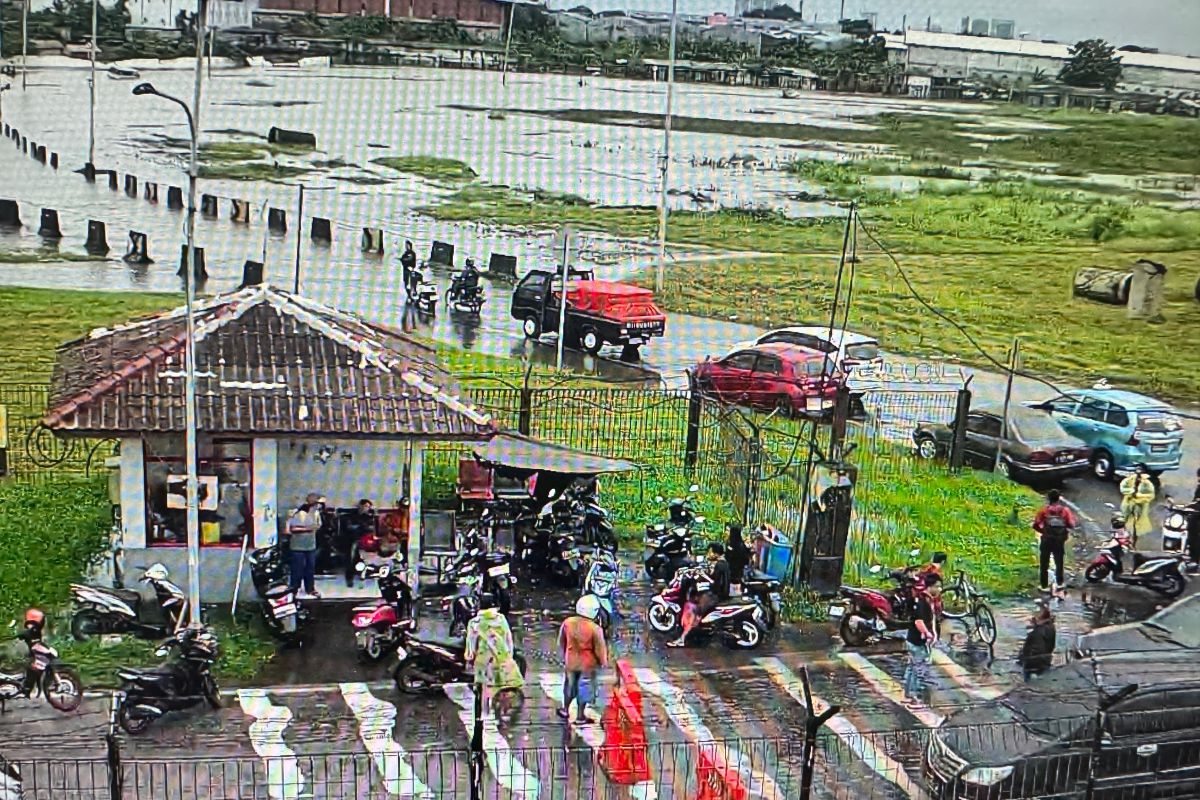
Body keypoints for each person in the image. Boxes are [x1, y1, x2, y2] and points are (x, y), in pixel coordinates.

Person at [464, 593, 524, 720]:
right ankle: (503, 710)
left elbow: (471, 643)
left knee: (484, 688)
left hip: (483, 661)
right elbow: (508, 639)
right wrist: (509, 656)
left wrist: (469, 659)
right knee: (502, 685)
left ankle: (485, 714)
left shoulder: (474, 623)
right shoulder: (501, 619)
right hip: (501, 657)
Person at [557, 595, 609, 723]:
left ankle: (565, 709)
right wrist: (603, 662)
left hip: (571, 661)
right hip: (587, 664)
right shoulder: (595, 628)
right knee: (585, 688)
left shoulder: (568, 623)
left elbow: (562, 640)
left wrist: (565, 654)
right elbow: (599, 648)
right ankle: (580, 715)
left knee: (569, 685)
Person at [669, 543, 731, 648]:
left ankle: (683, 638)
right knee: (695, 600)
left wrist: (703, 575)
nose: (708, 554)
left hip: (716, 595)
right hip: (718, 593)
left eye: (710, 552)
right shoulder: (723, 563)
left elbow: (714, 582)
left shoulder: (720, 565)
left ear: (716, 553)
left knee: (695, 610)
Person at [1032, 489, 1077, 600]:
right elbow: (1071, 524)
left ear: (1048, 499)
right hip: (1059, 540)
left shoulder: (1044, 511)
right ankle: (1060, 583)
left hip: (1046, 540)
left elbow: (1035, 524)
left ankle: (1043, 585)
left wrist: (1043, 532)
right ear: (1059, 498)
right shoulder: (1065, 511)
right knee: (1059, 561)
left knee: (1044, 563)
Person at [902, 578, 940, 706]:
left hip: (915, 640)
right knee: (918, 669)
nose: (939, 590)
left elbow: (931, 619)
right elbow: (919, 621)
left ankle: (909, 694)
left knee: (912, 668)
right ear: (930, 587)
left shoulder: (928, 601)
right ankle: (913, 696)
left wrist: (933, 633)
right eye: (937, 586)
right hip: (917, 641)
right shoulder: (923, 602)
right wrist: (928, 634)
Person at [287, 493, 325, 598]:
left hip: (310, 545)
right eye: (318, 503)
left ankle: (310, 588)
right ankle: (293, 589)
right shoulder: (299, 513)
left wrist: (314, 528)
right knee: (297, 569)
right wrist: (308, 529)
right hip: (297, 546)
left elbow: (318, 526)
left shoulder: (316, 513)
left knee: (310, 568)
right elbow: (292, 529)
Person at [1017, 600, 1056, 681]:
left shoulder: (1036, 633)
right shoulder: (1051, 627)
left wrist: (1021, 658)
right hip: (1046, 661)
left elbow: (1034, 653)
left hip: (1033, 665)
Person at [1119, 464, 1156, 546]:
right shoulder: (1130, 479)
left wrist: (1139, 496)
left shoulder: (1147, 483)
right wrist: (1131, 491)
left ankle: (1133, 543)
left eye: (1140, 470)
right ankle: (1123, 540)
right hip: (1128, 504)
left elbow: (1151, 495)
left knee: (1137, 525)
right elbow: (1122, 487)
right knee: (1124, 522)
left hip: (1140, 506)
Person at [725, 523, 751, 593]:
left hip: (735, 572)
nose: (726, 533)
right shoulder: (735, 544)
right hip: (737, 572)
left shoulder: (737, 545)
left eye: (728, 531)